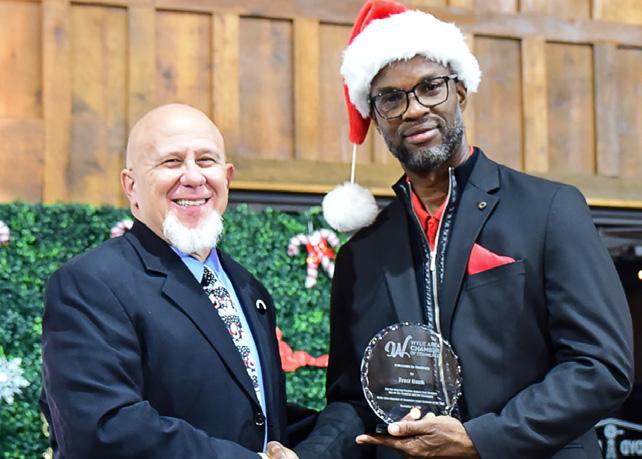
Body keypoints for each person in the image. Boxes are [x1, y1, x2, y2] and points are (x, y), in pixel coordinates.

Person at [294, 1, 635, 458]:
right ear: (374, 117)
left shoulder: (549, 209)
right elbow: (354, 400)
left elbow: (601, 366)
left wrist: (481, 439)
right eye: (391, 98)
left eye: (429, 87)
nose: (413, 109)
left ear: (460, 91)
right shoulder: (364, 252)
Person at [40, 104, 306, 459]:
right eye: (171, 162)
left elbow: (254, 416)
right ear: (131, 185)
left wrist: (352, 428)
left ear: (227, 176)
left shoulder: (247, 288)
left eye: (206, 161)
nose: (194, 177)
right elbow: (102, 430)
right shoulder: (89, 284)